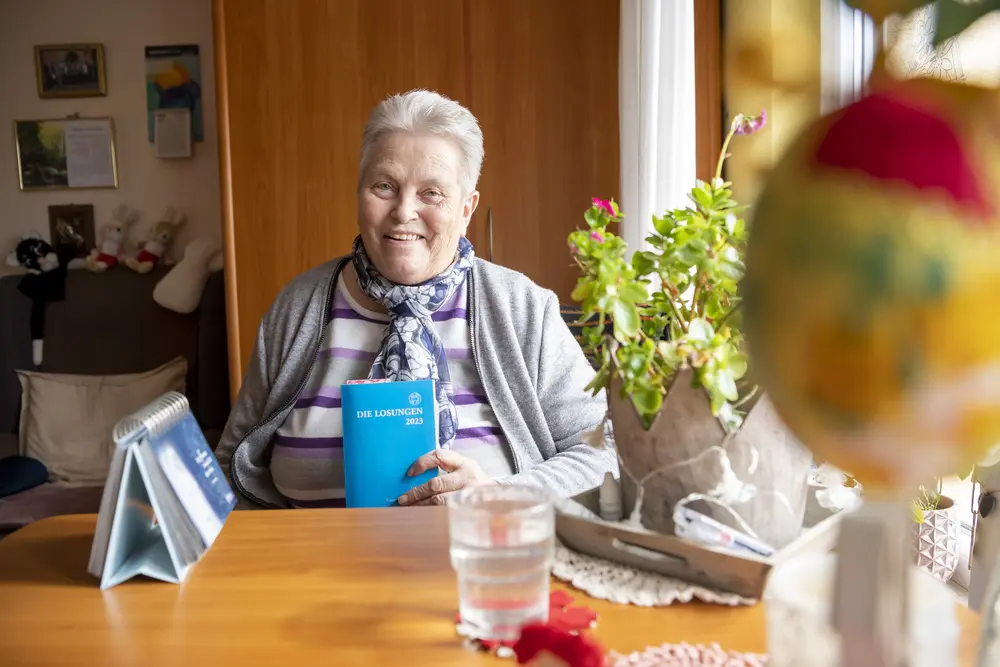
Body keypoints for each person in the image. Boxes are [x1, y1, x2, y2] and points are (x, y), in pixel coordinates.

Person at [215, 89, 617, 509]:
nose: (404, 211)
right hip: (312, 570)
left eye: (431, 193)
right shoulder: (297, 307)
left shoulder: (521, 307)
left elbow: (605, 449)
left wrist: (502, 496)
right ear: (358, 193)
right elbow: (232, 464)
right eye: (384, 186)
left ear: (466, 208)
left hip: (476, 561)